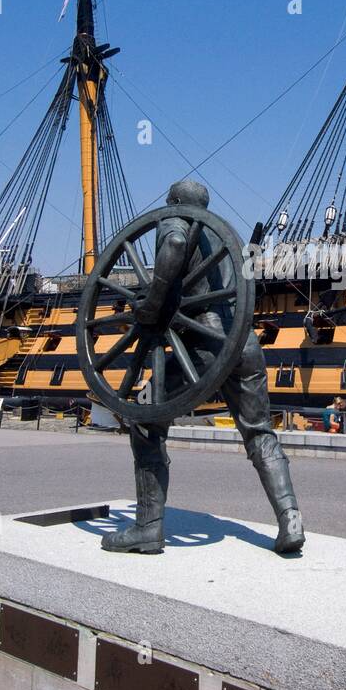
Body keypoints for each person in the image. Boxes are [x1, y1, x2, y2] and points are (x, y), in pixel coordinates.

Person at [102, 179, 305, 556]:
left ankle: (148, 527)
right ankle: (290, 517)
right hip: (245, 343)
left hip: (203, 344)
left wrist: (153, 302)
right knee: (260, 432)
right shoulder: (226, 237)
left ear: (176, 202)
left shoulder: (179, 221)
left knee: (146, 421)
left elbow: (176, 244)